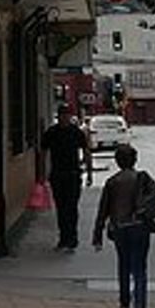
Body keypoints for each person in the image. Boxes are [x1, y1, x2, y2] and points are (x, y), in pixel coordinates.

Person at [92, 143, 154, 308]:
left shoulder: (112, 182)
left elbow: (103, 210)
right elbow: (154, 201)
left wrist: (97, 235)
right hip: (140, 227)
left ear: (117, 161)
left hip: (120, 228)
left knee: (124, 264)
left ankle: (125, 302)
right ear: (135, 160)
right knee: (140, 268)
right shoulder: (142, 179)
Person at [41, 104, 93, 251]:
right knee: (61, 208)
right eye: (63, 115)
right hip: (57, 174)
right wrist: (42, 174)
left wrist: (89, 173)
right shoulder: (51, 132)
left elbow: (87, 151)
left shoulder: (76, 132)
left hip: (73, 174)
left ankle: (72, 238)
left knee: (71, 207)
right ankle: (63, 238)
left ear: (70, 116)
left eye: (67, 115)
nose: (65, 118)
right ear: (59, 116)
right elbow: (43, 153)